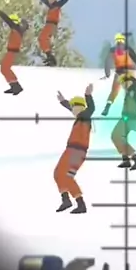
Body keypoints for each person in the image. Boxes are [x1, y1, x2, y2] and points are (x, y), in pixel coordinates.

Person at [54, 84, 95, 214]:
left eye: (74, 108)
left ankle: (73, 202)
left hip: (76, 151)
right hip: (73, 151)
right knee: (61, 174)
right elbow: (72, 107)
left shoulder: (85, 116)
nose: (72, 111)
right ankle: (70, 201)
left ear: (80, 107)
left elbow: (91, 108)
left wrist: (88, 95)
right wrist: (63, 102)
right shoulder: (79, 117)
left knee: (64, 175)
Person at [101, 33, 136, 116]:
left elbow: (108, 62)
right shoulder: (127, 49)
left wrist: (107, 73)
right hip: (129, 72)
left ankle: (107, 107)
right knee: (133, 90)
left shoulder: (112, 50)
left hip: (119, 72)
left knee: (114, 91)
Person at [111, 73, 136, 170]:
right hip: (127, 117)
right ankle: (126, 159)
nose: (123, 85)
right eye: (122, 84)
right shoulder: (129, 91)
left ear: (130, 81)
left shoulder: (134, 91)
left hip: (129, 118)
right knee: (121, 138)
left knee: (116, 136)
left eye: (124, 82)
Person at [34, 0, 72, 66]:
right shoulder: (50, 5)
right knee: (42, 39)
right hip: (48, 25)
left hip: (52, 25)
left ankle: (50, 56)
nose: (50, 1)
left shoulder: (57, 4)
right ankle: (49, 56)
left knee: (42, 38)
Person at [0, 10, 29, 95]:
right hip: (11, 52)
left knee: (4, 69)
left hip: (12, 52)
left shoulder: (16, 28)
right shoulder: (18, 29)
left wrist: (0, 13)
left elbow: (8, 20)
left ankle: (16, 86)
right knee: (5, 69)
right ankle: (14, 86)